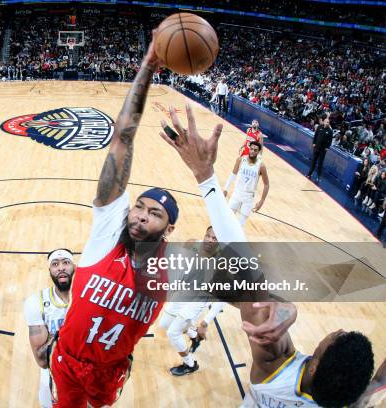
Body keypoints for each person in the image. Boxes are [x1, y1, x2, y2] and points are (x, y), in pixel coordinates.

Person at [47, 30, 295, 408]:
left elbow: (249, 288)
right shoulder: (108, 233)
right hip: (66, 360)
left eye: (154, 214)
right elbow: (122, 139)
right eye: (140, 207)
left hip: (110, 370)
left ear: (170, 228)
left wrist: (284, 306)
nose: (141, 217)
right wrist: (147, 67)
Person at [240, 302, 374, 407]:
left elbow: (252, 295)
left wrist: (288, 309)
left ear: (313, 368)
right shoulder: (347, 399)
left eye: (338, 336)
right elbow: (379, 380)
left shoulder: (275, 365)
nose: (340, 329)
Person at [158, 226, 225, 377]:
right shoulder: (193, 244)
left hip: (198, 300)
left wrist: (205, 322)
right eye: (208, 235)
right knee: (164, 324)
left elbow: (222, 297)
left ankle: (190, 364)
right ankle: (194, 335)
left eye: (215, 239)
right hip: (183, 292)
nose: (209, 240)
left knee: (173, 333)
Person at [24, 249, 75, 408]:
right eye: (55, 264)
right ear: (50, 271)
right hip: (53, 383)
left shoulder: (91, 299)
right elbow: (41, 359)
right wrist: (70, 327)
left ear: (74, 267)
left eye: (66, 262)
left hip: (88, 379)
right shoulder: (36, 302)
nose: (61, 267)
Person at [224, 141, 270, 226]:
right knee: (228, 219)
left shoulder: (261, 166)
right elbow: (233, 174)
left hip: (248, 197)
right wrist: (226, 189)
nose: (252, 151)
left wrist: (262, 201)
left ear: (259, 152)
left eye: (255, 150)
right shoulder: (240, 159)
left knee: (241, 224)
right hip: (237, 193)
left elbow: (266, 184)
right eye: (251, 149)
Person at [307, 117, 333, 182]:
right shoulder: (319, 127)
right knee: (313, 161)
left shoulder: (330, 131)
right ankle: (309, 174)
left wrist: (327, 147)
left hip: (323, 149)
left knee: (320, 163)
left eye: (328, 122)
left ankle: (318, 177)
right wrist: (314, 143)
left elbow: (330, 140)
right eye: (326, 122)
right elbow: (315, 135)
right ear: (324, 122)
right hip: (316, 147)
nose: (327, 123)